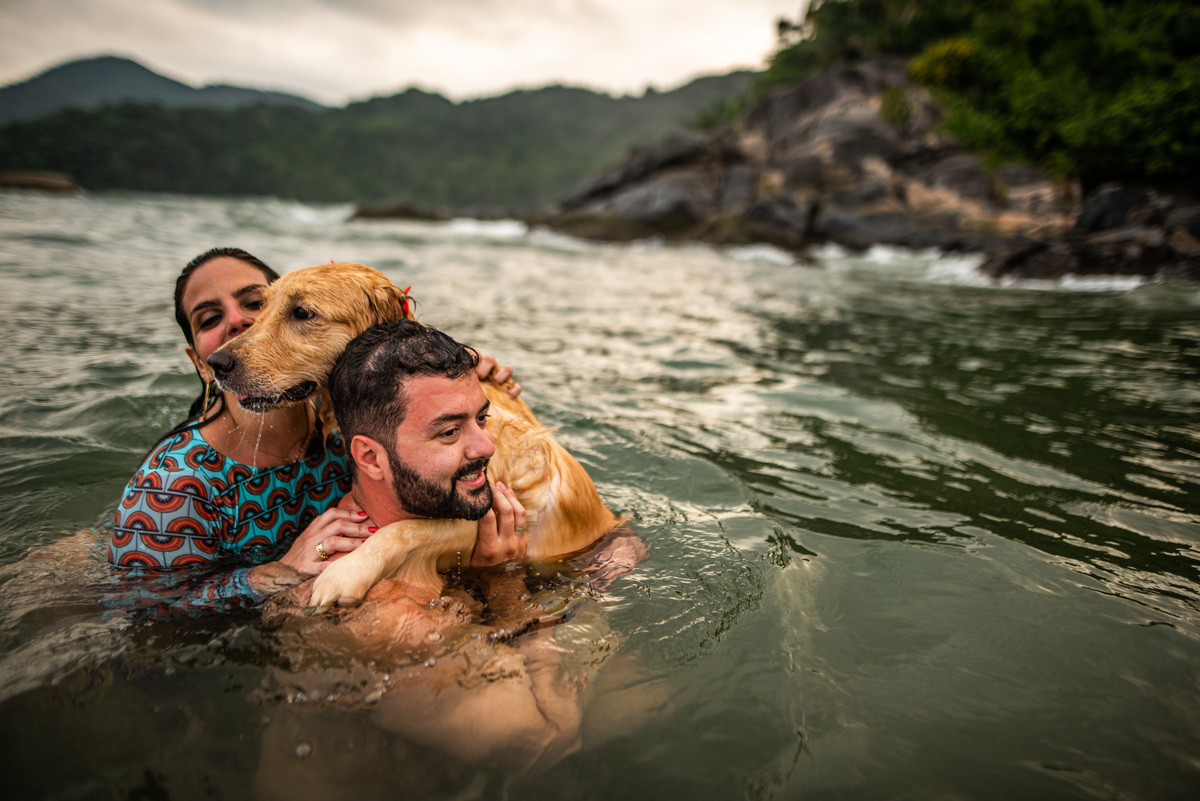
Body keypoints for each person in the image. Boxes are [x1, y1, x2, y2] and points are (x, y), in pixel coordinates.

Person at [107, 247, 524, 614]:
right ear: (201, 362)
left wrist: (464, 381)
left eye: (257, 302)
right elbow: (139, 614)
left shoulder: (348, 426)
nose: (240, 324)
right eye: (211, 318)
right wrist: (277, 572)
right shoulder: (172, 488)